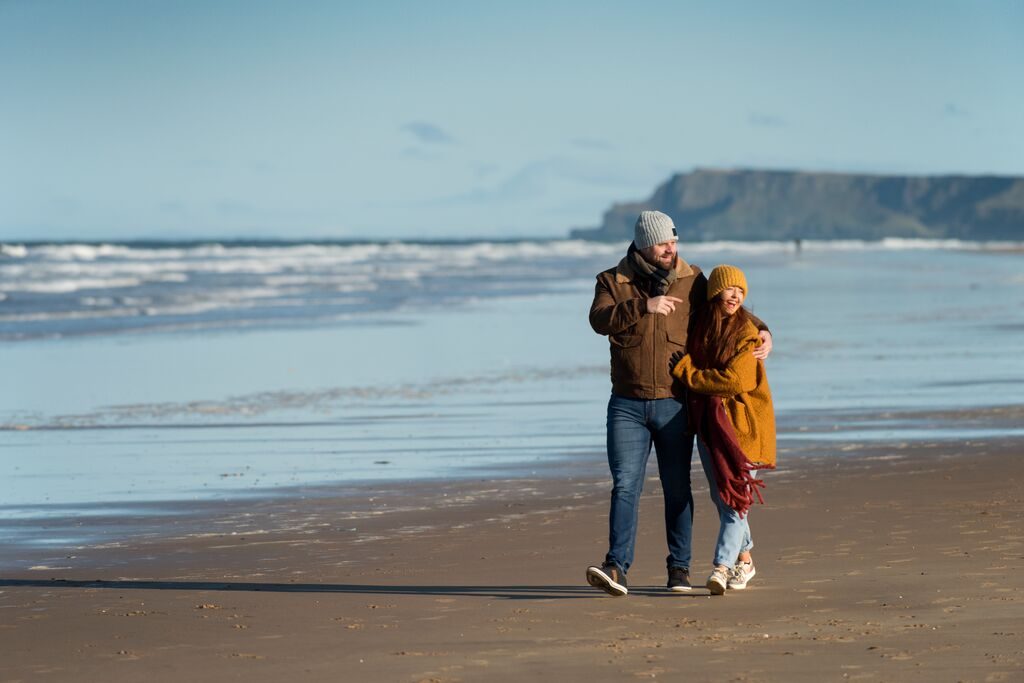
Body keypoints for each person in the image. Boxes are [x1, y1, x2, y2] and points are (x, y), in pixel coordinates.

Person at [585, 212, 771, 597]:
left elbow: (728, 305)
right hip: (626, 405)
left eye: (674, 242)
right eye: (663, 244)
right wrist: (643, 307)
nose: (671, 249)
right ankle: (616, 568)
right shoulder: (612, 280)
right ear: (643, 244)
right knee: (625, 486)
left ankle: (679, 571)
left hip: (675, 403)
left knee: (677, 488)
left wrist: (764, 329)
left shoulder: (692, 279)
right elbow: (599, 320)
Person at [671, 265, 776, 595]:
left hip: (740, 428)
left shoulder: (746, 332)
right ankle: (745, 560)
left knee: (734, 502)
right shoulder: (703, 325)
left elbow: (735, 380)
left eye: (741, 292)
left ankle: (721, 567)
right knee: (722, 499)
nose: (735, 296)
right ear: (715, 292)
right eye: (729, 290)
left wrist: (689, 373)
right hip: (709, 424)